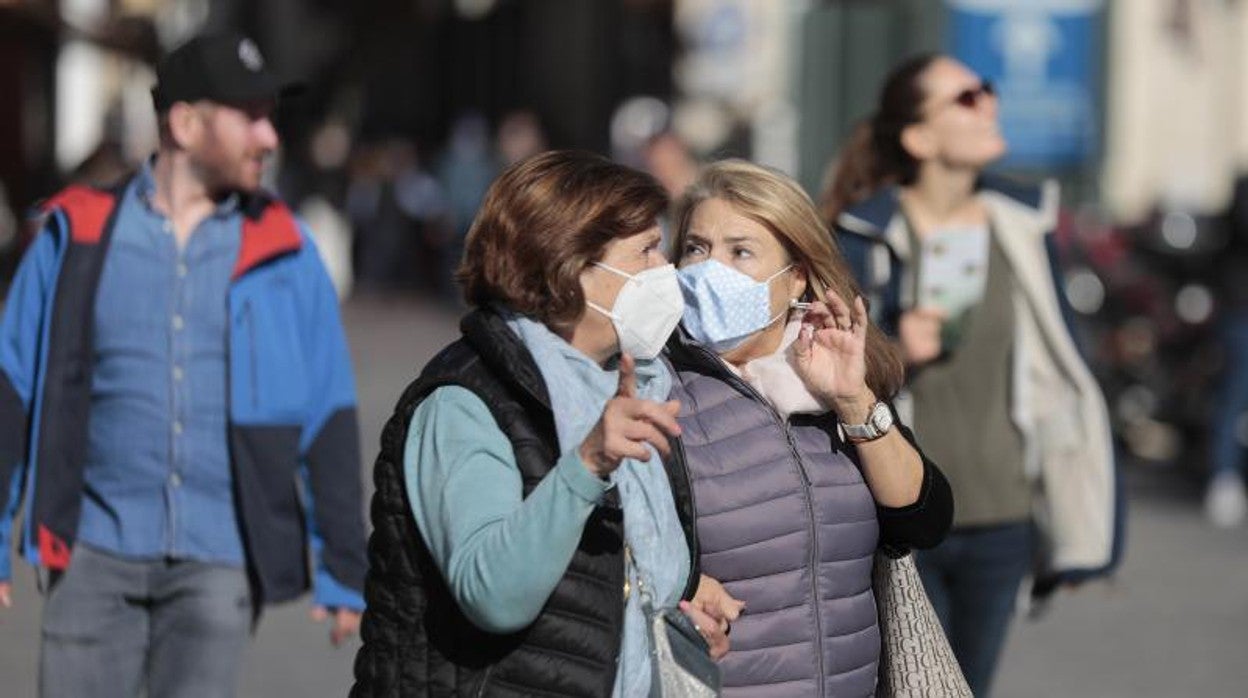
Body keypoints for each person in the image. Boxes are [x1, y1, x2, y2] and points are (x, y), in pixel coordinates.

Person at [0, 31, 368, 696]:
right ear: (186, 123)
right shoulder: (74, 233)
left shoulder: (286, 249)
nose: (269, 137)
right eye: (250, 115)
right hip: (91, 553)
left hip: (219, 563)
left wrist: (343, 562)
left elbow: (329, 408)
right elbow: (11, 386)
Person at [350, 150, 734, 697]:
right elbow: (493, 593)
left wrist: (680, 602)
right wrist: (587, 464)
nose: (666, 272)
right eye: (646, 251)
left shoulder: (635, 381)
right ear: (571, 266)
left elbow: (607, 574)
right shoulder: (465, 401)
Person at [823, 53, 1121, 696]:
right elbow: (826, 371)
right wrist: (898, 349)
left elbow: (1060, 377)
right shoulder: (864, 237)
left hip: (1002, 519)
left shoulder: (1024, 226)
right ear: (919, 138)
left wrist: (1076, 522)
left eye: (986, 90)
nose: (988, 102)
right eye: (965, 97)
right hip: (905, 517)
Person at [666, 158, 954, 697]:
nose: (711, 269)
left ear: (795, 274)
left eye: (740, 250)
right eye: (696, 248)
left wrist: (853, 400)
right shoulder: (659, 385)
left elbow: (923, 521)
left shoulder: (826, 371)